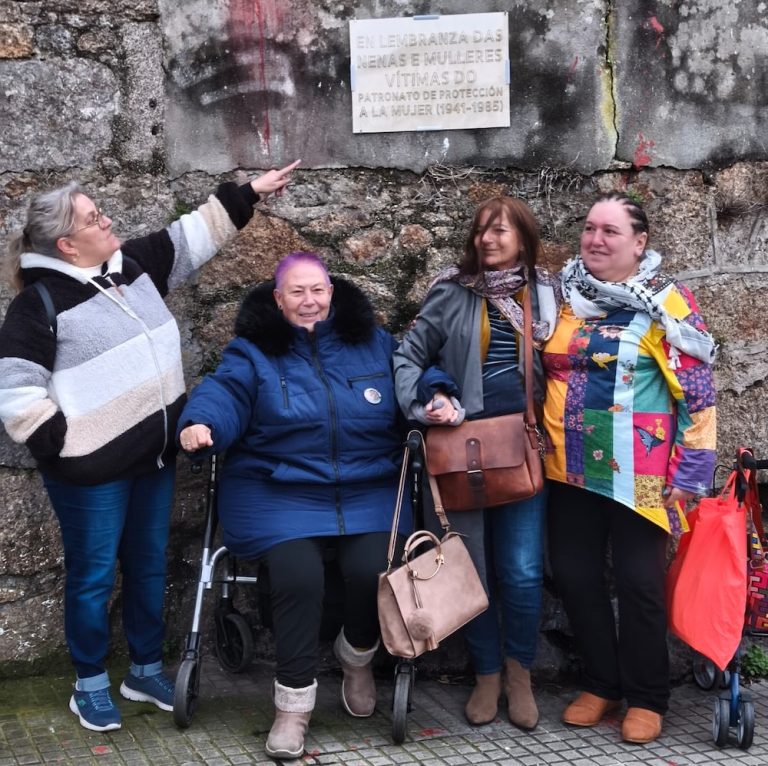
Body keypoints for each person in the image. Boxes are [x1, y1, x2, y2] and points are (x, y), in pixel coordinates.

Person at [0, 160, 300, 732]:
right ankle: (89, 683)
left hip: (154, 460)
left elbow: (192, 235)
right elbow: (15, 389)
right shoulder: (37, 306)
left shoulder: (131, 266)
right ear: (67, 244)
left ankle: (142, 669)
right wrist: (64, 444)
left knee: (147, 569)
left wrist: (251, 192)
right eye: (94, 218)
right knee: (92, 578)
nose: (107, 220)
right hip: (89, 474)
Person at [178, 252, 410, 760]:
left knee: (376, 568)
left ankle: (357, 657)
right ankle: (293, 706)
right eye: (297, 293)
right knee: (297, 573)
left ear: (332, 291)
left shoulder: (374, 343)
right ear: (278, 299)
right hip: (278, 491)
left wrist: (438, 395)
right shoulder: (253, 352)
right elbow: (224, 394)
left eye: (318, 290)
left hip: (366, 487)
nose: (310, 302)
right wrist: (202, 424)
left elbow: (416, 379)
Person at [542, 192, 717, 744]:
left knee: (640, 584)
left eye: (610, 231)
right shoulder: (560, 298)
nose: (595, 239)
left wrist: (691, 473)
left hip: (642, 470)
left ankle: (647, 695)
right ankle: (601, 684)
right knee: (575, 577)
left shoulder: (669, 303)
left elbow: (698, 392)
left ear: (639, 244)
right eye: (589, 227)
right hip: (567, 465)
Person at [393, 197, 560, 730]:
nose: (488, 240)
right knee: (472, 571)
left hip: (523, 449)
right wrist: (426, 407)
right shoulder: (451, 291)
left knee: (524, 571)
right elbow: (408, 356)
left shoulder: (550, 294)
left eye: (501, 231)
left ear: (524, 238)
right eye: (482, 231)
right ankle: (486, 673)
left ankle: (519, 673)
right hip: (460, 451)